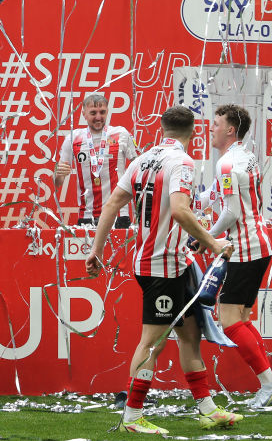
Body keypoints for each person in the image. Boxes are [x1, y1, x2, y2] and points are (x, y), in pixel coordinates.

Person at [86, 105, 240, 434]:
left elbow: (113, 202)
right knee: (152, 342)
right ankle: (132, 416)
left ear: (161, 127)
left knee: (189, 336)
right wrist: (212, 243)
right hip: (161, 268)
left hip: (170, 263)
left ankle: (207, 409)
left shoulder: (143, 160)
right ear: (194, 132)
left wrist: (96, 249)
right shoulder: (182, 162)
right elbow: (182, 212)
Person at [206, 104, 272, 409]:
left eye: (217, 123)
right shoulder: (245, 155)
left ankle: (268, 384)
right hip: (259, 245)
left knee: (230, 321)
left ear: (231, 130)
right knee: (242, 319)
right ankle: (268, 382)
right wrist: (204, 197)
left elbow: (231, 211)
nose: (211, 127)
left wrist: (203, 237)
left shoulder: (228, 164)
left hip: (245, 249)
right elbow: (229, 196)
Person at [54, 93, 138, 226]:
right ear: (84, 114)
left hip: (119, 214)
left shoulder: (121, 133)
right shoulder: (72, 137)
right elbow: (58, 183)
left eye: (102, 112)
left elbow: (138, 169)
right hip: (87, 216)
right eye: (93, 113)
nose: (98, 117)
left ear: (107, 112)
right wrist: (58, 174)